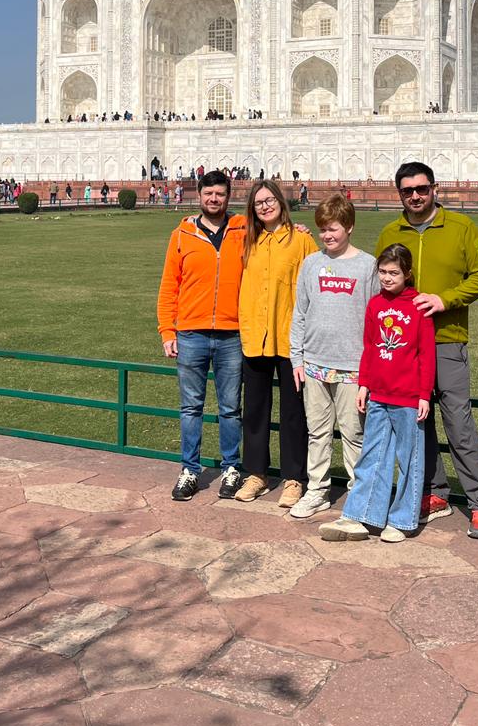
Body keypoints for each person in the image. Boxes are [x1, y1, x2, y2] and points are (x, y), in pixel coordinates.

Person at [375, 161, 478, 540]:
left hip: (446, 339)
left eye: (421, 189)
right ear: (399, 194)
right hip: (403, 348)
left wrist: (446, 300)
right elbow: (379, 280)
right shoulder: (392, 232)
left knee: (458, 424)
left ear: (434, 189)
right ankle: (436, 492)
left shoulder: (460, 228)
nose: (415, 196)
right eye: (407, 190)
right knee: (416, 424)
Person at [319, 243, 435, 543]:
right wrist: (364, 384)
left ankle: (403, 520)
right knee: (372, 456)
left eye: (393, 273)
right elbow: (370, 347)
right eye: (382, 272)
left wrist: (424, 394)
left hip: (408, 397)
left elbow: (426, 355)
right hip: (379, 394)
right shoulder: (375, 305)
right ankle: (362, 514)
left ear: (407, 274)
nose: (386, 278)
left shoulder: (418, 307)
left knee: (409, 459)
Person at [157, 170, 246, 502]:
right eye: (208, 193)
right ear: (199, 195)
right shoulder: (182, 234)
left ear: (228, 196)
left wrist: (296, 229)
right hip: (191, 332)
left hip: (232, 334)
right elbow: (169, 286)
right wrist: (168, 329)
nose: (214, 199)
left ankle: (231, 468)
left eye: (220, 194)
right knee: (191, 407)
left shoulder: (244, 230)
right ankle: (189, 471)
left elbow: (276, 239)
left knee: (230, 408)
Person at [289, 193, 378, 520]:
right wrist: (296, 358)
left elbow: (376, 318)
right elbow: (300, 312)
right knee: (318, 432)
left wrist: (371, 371)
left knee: (354, 434)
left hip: (353, 367)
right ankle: (317, 490)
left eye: (334, 229)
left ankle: (359, 495)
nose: (327, 235)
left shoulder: (367, 266)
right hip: (314, 363)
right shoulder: (312, 263)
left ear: (350, 227)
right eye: (323, 229)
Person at [234, 180, 319, 509]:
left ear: (282, 203)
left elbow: (315, 286)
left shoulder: (301, 241)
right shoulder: (248, 241)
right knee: (254, 411)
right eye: (258, 203)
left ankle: (294, 478)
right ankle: (256, 473)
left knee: (293, 412)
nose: (265, 207)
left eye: (270, 201)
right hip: (255, 335)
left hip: (291, 340)